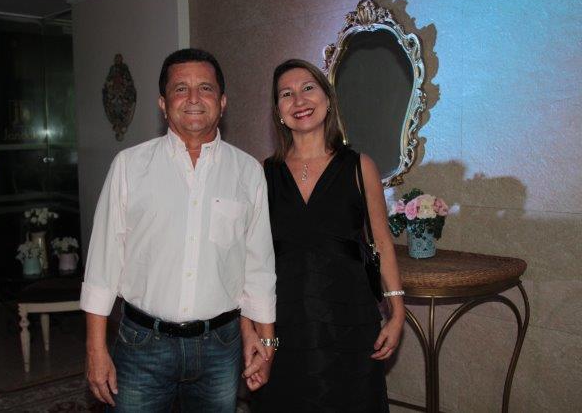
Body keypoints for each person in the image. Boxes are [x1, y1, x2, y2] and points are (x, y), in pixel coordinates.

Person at [80, 48, 277, 412]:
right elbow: (102, 266)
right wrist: (95, 350)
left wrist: (266, 342)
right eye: (180, 88)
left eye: (205, 88)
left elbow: (259, 266)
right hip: (142, 345)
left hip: (221, 347)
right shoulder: (129, 166)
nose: (193, 98)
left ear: (222, 102)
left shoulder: (248, 172)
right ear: (163, 103)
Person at [247, 59, 406, 412]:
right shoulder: (263, 173)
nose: (299, 100)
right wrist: (253, 329)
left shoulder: (360, 166)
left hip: (349, 320)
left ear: (328, 99)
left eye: (308, 88)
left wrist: (397, 312)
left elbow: (382, 242)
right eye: (286, 94)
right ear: (278, 112)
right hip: (284, 322)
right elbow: (251, 260)